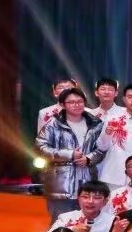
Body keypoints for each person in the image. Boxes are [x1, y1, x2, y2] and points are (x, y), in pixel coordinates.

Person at [36, 87, 111, 219]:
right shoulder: (53, 124)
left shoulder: (96, 124)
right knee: (61, 223)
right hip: (61, 185)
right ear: (62, 104)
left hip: (88, 182)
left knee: (87, 223)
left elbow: (102, 148)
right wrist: (69, 154)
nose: (77, 105)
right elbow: (40, 148)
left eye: (80, 101)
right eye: (71, 102)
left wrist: (88, 159)